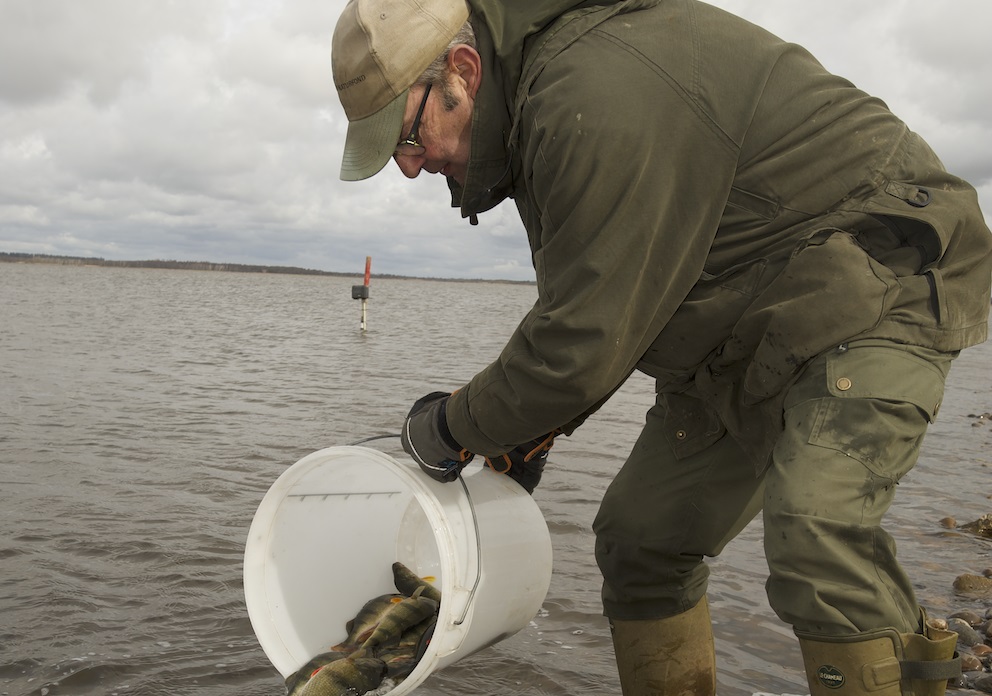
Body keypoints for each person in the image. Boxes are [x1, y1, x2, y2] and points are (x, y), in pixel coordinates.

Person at [331, 0, 992, 694]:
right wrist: (526, 428)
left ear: (463, 73)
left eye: (407, 137)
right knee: (640, 540)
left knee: (817, 532)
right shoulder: (529, 117)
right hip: (741, 325)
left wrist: (448, 428)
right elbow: (604, 306)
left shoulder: (588, 93)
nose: (409, 168)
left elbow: (582, 342)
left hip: (879, 266)